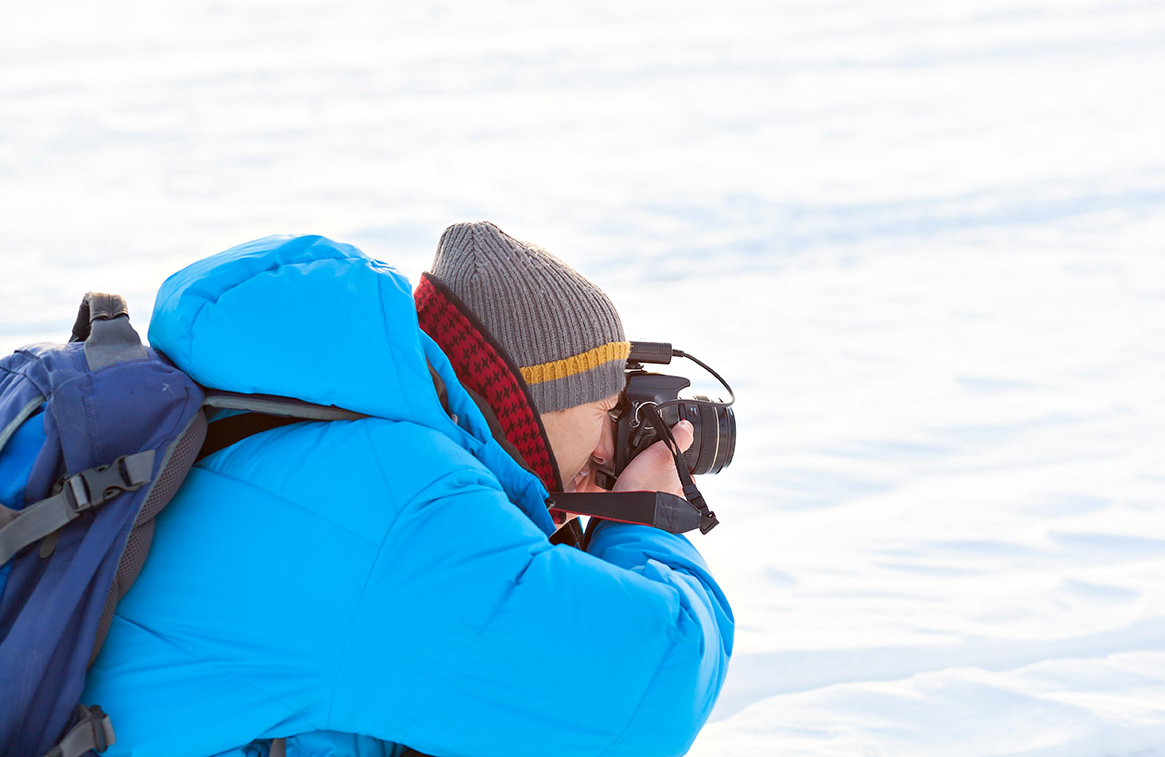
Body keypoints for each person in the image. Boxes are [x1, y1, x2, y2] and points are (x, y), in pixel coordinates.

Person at [81, 222, 734, 757]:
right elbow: (651, 688)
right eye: (605, 408)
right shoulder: (404, 508)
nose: (605, 449)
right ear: (532, 399)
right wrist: (646, 519)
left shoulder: (286, 409)